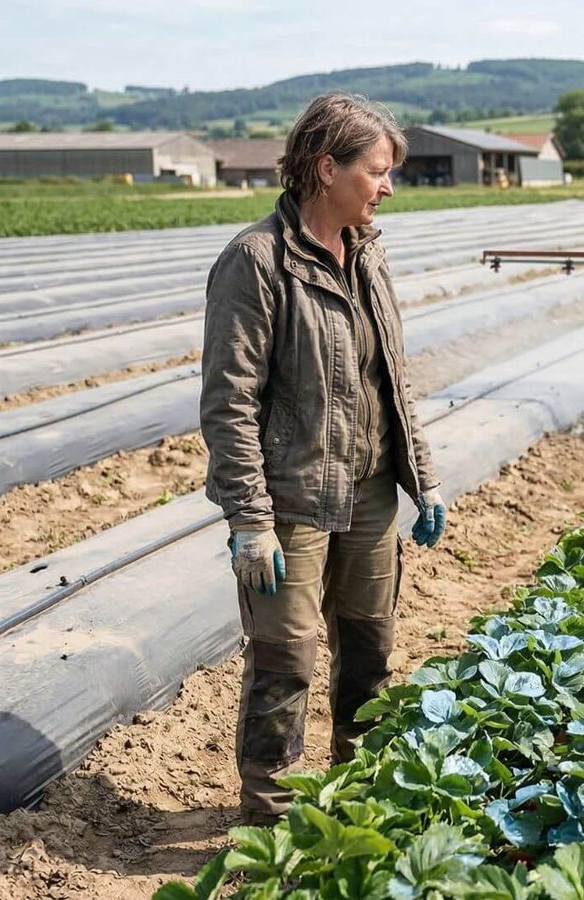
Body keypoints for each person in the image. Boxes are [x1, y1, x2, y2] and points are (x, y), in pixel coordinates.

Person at [199, 92, 446, 825]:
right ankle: (272, 818)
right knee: (286, 661)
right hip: (292, 502)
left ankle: (355, 793)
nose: (388, 187)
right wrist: (251, 519)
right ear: (324, 168)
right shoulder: (256, 262)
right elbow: (230, 404)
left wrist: (421, 478)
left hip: (370, 493)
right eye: (376, 171)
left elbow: (391, 378)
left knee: (370, 649)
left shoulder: (370, 255)